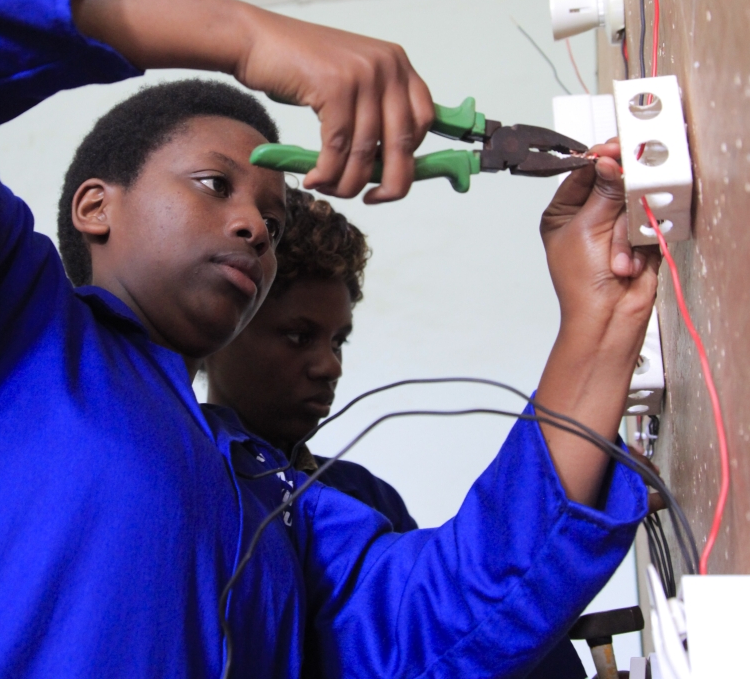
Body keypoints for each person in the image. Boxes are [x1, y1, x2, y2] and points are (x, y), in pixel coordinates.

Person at [0, 0, 657, 678]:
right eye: (213, 185)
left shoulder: (275, 498)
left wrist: (599, 317)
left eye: (269, 225)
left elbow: (454, 612)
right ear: (94, 208)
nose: (252, 228)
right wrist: (243, 34)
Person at [205, 187, 588, 678]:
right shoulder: (190, 486)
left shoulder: (362, 495)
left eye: (338, 340)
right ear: (225, 329)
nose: (328, 365)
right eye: (299, 336)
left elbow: (451, 626)